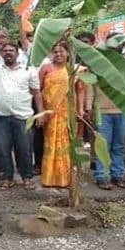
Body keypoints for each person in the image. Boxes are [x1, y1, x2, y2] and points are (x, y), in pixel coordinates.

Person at [0, 28, 44, 190]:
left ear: (17, 53)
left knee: (25, 149)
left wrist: (40, 113)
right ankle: (7, 177)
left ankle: (26, 177)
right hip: (0, 117)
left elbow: (37, 94)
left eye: (11, 50)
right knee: (3, 149)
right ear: (2, 54)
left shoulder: (29, 69)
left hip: (24, 117)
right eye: (5, 51)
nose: (8, 53)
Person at [39, 42, 84, 188]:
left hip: (67, 113)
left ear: (68, 53)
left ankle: (66, 178)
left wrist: (81, 110)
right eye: (55, 52)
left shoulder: (74, 70)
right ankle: (50, 178)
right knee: (50, 142)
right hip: (50, 113)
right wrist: (40, 111)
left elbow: (80, 90)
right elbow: (37, 90)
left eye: (61, 51)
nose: (58, 54)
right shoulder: (45, 68)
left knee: (66, 143)